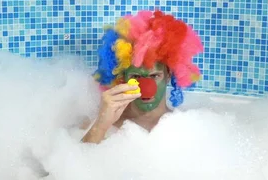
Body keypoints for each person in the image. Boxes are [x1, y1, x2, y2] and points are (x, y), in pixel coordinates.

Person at [82, 10, 203, 144]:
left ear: (168, 75)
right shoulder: (103, 123)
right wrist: (101, 125)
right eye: (136, 76)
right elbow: (76, 160)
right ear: (123, 78)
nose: (146, 86)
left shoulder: (185, 126)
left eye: (155, 75)